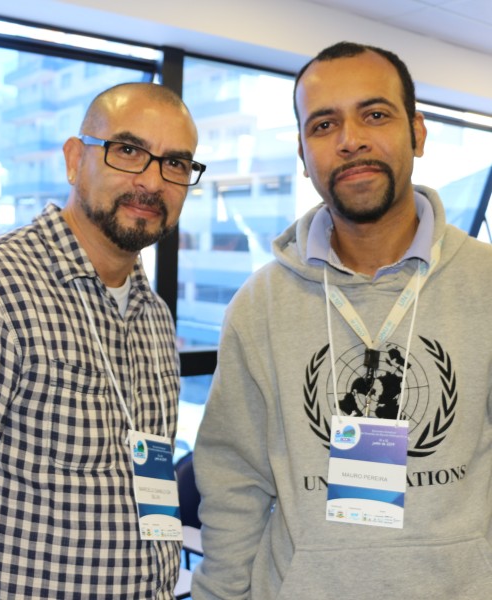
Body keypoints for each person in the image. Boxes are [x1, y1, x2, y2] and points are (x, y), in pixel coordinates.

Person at [191, 41, 492, 600]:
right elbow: (235, 485)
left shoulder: (487, 283)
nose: (350, 139)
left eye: (374, 114)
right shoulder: (259, 305)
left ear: (418, 134)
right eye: (324, 125)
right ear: (304, 157)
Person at [0, 82, 205, 599]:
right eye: (128, 151)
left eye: (176, 163)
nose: (152, 180)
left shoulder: (153, 316)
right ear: (74, 159)